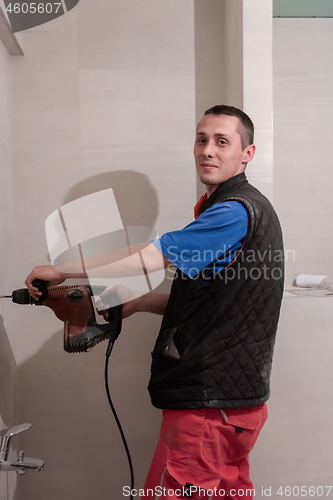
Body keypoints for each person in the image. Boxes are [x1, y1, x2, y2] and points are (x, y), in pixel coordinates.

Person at [26, 105, 284, 499]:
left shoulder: (233, 212)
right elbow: (214, 299)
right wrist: (143, 302)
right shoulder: (236, 209)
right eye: (201, 140)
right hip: (235, 405)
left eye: (221, 141)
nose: (207, 151)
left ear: (247, 153)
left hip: (208, 406)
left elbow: (151, 256)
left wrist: (63, 270)